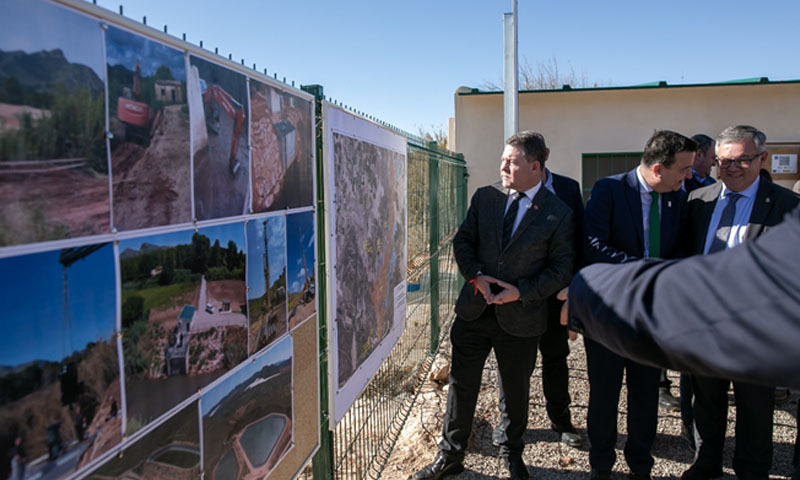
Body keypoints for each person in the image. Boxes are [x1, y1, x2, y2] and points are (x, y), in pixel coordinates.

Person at [413, 131, 575, 480]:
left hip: (521, 318)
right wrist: (475, 276)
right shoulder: (485, 197)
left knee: (515, 391)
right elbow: (463, 241)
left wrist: (522, 292)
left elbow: (561, 268)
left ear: (535, 167)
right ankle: (451, 455)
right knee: (461, 385)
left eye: (511, 162)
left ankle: (511, 454)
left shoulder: (558, 213)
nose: (502, 166)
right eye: (502, 159)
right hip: (474, 310)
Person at [681, 125, 799, 480]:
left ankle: (752, 469)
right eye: (723, 161)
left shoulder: (787, 206)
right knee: (705, 400)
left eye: (741, 161)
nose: (731, 169)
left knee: (755, 404)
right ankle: (706, 463)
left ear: (762, 159)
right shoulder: (698, 200)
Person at [583, 130, 695, 480]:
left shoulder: (679, 197)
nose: (689, 175)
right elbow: (593, 245)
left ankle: (640, 465)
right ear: (658, 169)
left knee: (645, 394)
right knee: (604, 393)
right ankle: (601, 464)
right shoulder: (609, 190)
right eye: (684, 169)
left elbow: (682, 247)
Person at [492, 160, 585, 450]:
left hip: (556, 293)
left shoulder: (568, 188)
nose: (507, 167)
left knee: (556, 357)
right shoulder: (503, 191)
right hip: (518, 295)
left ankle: (561, 420)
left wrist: (575, 287)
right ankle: (508, 424)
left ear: (541, 159)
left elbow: (579, 239)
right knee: (514, 362)